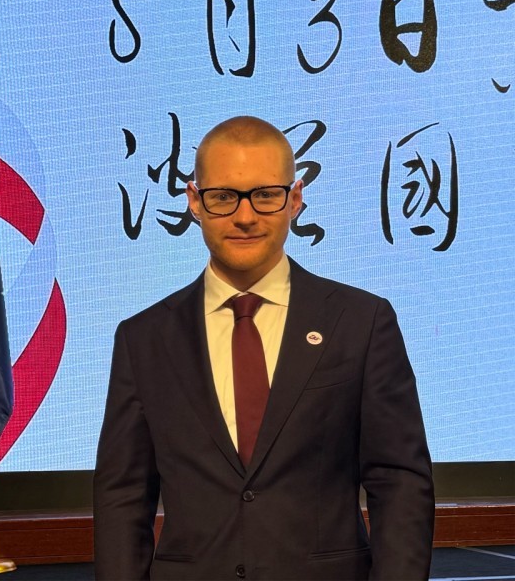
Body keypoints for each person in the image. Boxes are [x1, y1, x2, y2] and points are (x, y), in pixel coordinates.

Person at [93, 116, 434, 581]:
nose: (245, 216)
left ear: (294, 199)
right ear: (194, 201)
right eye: (223, 197)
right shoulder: (144, 338)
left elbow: (399, 481)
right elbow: (123, 496)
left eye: (266, 195)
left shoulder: (361, 322)